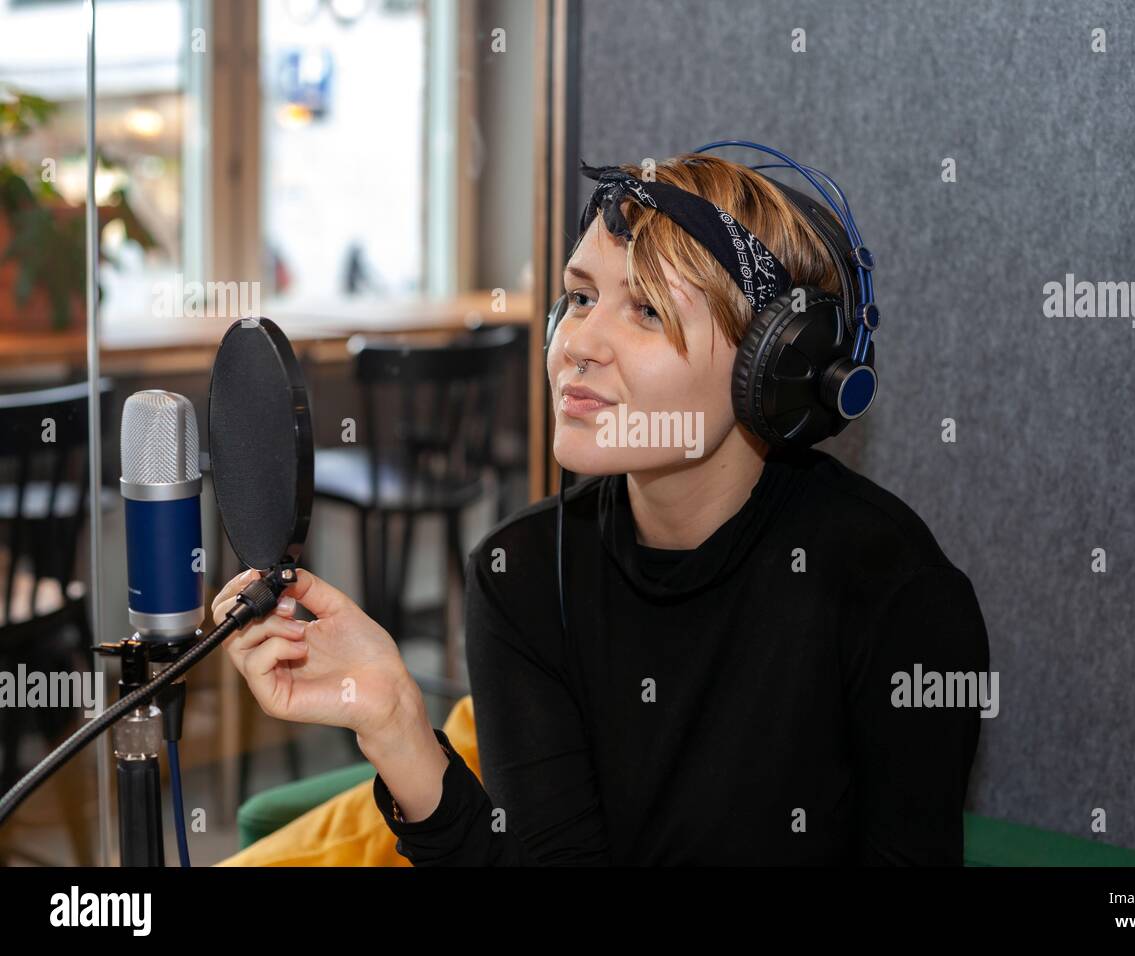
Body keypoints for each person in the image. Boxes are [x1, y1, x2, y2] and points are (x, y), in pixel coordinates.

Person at [213, 152, 991, 865]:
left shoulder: (893, 595)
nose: (580, 342)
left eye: (648, 309)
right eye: (580, 297)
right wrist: (393, 721)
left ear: (776, 368)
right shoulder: (521, 574)